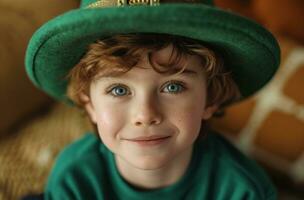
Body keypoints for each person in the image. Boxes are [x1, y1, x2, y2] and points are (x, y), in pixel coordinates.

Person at [25, 0, 280, 199]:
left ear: (211, 97)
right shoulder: (74, 178)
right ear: (89, 103)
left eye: (173, 86)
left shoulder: (244, 190)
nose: (145, 115)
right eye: (119, 90)